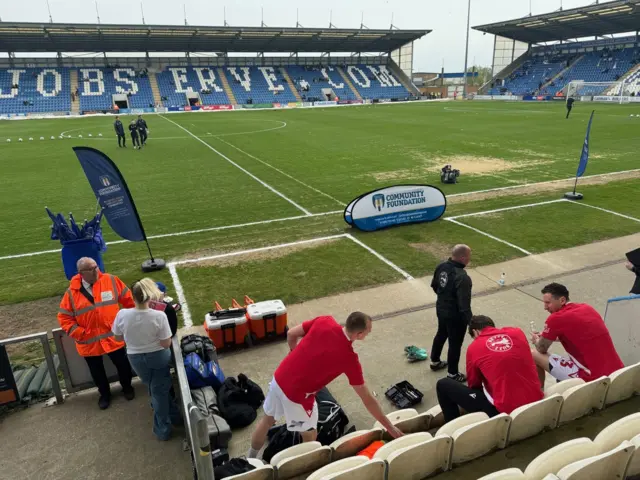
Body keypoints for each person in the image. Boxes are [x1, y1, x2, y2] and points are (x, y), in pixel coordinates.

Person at [247, 312, 403, 458]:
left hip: (280, 377)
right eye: (368, 331)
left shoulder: (324, 321)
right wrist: (390, 427)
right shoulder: (350, 359)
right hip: (297, 396)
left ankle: (251, 459)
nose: (368, 334)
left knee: (267, 421)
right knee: (310, 435)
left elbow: (291, 334)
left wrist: (294, 352)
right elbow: (367, 399)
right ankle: (307, 464)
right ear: (359, 335)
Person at [57, 257, 135, 409]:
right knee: (97, 372)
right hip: (89, 342)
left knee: (123, 365)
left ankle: (127, 387)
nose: (96, 271)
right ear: (81, 273)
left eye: (96, 267)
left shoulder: (111, 280)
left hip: (113, 336)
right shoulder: (71, 293)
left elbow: (129, 301)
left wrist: (128, 321)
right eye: (91, 269)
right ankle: (104, 394)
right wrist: (79, 333)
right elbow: (64, 318)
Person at [436, 315, 543, 423]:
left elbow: (474, 385)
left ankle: (451, 425)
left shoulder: (474, 347)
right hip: (536, 400)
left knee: (443, 384)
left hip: (505, 411)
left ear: (476, 332)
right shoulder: (517, 332)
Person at [112, 279, 182, 440]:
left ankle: (176, 417)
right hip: (158, 356)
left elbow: (117, 337)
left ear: (133, 296)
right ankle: (163, 430)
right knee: (158, 391)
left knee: (156, 388)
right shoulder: (159, 315)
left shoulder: (122, 314)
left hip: (135, 358)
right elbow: (166, 343)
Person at [530, 283, 623, 386]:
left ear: (562, 300)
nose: (545, 307)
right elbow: (577, 335)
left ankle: (539, 394)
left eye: (548, 303)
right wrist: (549, 335)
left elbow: (541, 349)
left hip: (592, 377)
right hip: (617, 372)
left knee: (533, 354)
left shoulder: (556, 318)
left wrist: (536, 340)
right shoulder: (586, 308)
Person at [429, 244, 473, 382]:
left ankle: (435, 361)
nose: (469, 259)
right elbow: (464, 305)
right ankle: (453, 373)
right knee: (455, 343)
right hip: (455, 316)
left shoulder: (441, 266)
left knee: (441, 333)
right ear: (462, 258)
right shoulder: (462, 277)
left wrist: (444, 298)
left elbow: (435, 286)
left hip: (441, 309)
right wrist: (471, 323)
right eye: (468, 257)